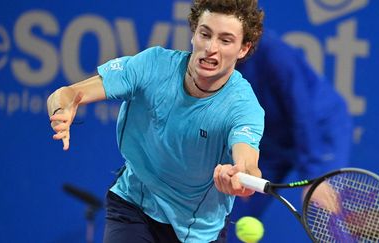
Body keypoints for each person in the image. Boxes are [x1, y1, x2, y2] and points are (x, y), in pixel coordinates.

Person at [47, 0, 265, 242]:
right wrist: (62, 107)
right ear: (194, 34)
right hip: (134, 205)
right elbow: (65, 94)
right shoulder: (153, 66)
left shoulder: (244, 107)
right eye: (205, 34)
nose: (211, 48)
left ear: (243, 48)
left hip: (198, 231)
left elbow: (247, 166)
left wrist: (238, 179)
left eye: (225, 40)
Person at [230, 29, 353, 226]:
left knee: (324, 208)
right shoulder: (215, 58)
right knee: (234, 208)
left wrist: (314, 176)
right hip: (272, 138)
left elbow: (302, 113)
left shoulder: (276, 56)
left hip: (319, 129)